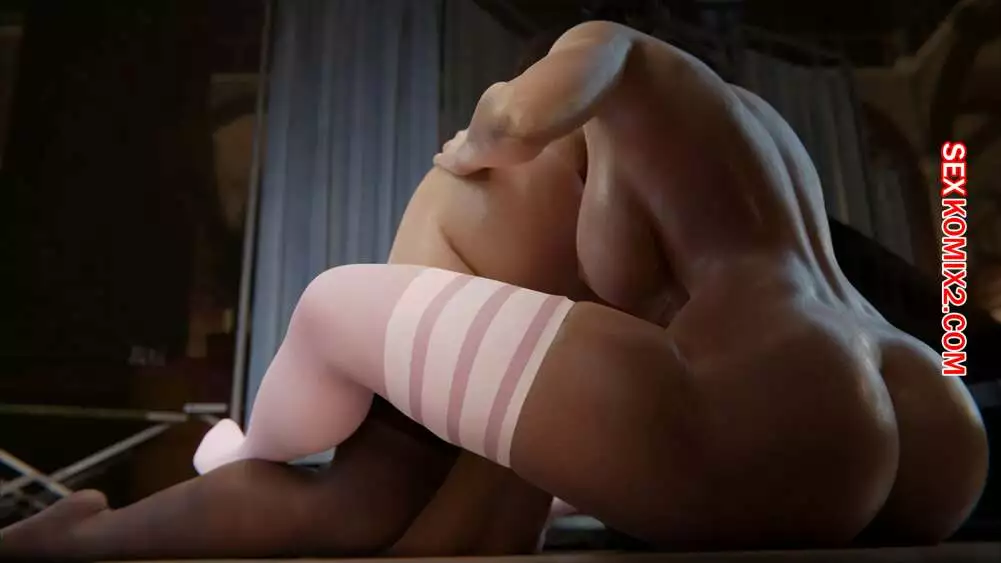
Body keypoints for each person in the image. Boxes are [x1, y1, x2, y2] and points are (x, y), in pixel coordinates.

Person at [1, 20, 987, 559]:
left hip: (769, 403)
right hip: (919, 413)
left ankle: (247, 442)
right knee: (378, 497)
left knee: (330, 306)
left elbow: (528, 109)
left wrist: (481, 139)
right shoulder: (760, 138)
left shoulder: (623, 56)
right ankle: (100, 528)